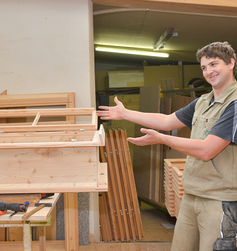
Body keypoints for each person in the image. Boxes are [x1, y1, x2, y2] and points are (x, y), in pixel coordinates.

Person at [97, 41, 237, 251]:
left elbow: (208, 149)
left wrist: (162, 139)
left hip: (219, 199)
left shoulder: (234, 104)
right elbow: (166, 121)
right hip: (192, 193)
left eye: (214, 64)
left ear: (231, 63)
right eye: (204, 67)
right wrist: (126, 114)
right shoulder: (202, 102)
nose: (209, 72)